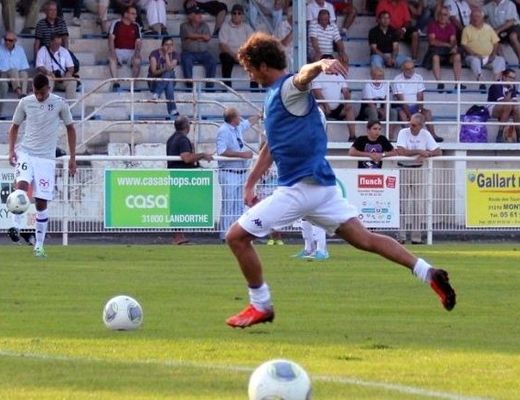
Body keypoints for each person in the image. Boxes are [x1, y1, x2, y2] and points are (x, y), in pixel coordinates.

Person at [224, 32, 456, 329]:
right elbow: (272, 145)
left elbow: (302, 78)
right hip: (322, 188)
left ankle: (261, 305)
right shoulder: (278, 99)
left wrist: (321, 64)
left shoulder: (287, 90)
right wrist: (250, 183)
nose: (250, 75)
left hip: (299, 188)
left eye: (250, 69)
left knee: (236, 237)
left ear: (263, 65)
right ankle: (428, 272)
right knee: (365, 239)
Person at [6, 73, 77, 257]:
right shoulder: (25, 102)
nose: (39, 97)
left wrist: (72, 157)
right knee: (20, 188)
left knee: (41, 202)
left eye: (42, 93)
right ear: (33, 90)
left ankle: (38, 245)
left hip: (46, 159)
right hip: (27, 153)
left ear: (49, 89)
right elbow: (14, 126)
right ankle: (15, 227)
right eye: (36, 93)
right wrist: (12, 150)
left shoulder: (60, 103)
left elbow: (71, 128)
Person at [166, 115, 213, 244]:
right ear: (187, 126)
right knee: (180, 206)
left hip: (175, 176)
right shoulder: (182, 140)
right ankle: (178, 236)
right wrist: (202, 155)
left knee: (177, 206)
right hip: (181, 177)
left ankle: (178, 235)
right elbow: (186, 158)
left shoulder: (171, 139)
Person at [395, 113, 441, 245]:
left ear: (421, 126)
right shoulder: (403, 132)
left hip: (418, 169)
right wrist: (420, 151)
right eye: (410, 123)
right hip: (403, 168)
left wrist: (428, 154)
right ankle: (401, 236)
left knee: (418, 205)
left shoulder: (425, 134)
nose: (411, 127)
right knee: (402, 204)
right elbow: (401, 151)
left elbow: (438, 151)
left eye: (414, 125)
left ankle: (416, 237)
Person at [216, 107, 260, 241]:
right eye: (238, 116)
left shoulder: (237, 128)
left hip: (239, 172)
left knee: (238, 205)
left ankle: (235, 234)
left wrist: (259, 116)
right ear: (233, 118)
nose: (240, 118)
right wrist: (242, 155)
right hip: (229, 172)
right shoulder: (223, 130)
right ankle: (224, 234)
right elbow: (221, 151)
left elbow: (247, 123)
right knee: (228, 204)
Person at [392, 59, 444, 142]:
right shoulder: (397, 79)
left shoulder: (418, 77)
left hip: (416, 106)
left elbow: (420, 96)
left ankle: (433, 136)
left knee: (427, 113)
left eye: (412, 68)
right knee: (403, 115)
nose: (411, 71)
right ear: (403, 69)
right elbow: (400, 99)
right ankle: (408, 138)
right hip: (403, 107)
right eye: (408, 69)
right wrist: (410, 114)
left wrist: (419, 110)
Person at [311, 56, 357, 141]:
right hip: (324, 107)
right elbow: (318, 94)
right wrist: (326, 106)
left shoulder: (339, 76)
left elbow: (346, 92)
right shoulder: (317, 76)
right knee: (319, 109)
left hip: (337, 108)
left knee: (349, 108)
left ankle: (352, 136)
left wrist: (347, 103)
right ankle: (319, 137)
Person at [461, 8, 506, 91]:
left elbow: (496, 43)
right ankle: (481, 82)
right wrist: (474, 54)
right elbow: (464, 44)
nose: (475, 18)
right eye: (473, 16)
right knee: (474, 61)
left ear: (482, 18)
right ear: (470, 18)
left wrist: (493, 54)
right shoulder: (467, 29)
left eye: (477, 16)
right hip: (473, 56)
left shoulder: (488, 28)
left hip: (488, 57)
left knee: (500, 60)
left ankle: (495, 83)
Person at [423, 7, 462, 92]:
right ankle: (439, 83)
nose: (442, 16)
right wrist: (447, 44)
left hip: (447, 53)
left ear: (448, 16)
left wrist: (454, 47)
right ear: (437, 15)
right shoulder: (432, 25)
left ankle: (457, 84)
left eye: (445, 15)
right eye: (440, 14)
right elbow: (432, 42)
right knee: (435, 57)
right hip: (434, 53)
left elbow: (453, 40)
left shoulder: (451, 27)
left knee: (457, 56)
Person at [180, 5, 217, 90]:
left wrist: (192, 38)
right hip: (188, 53)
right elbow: (189, 34)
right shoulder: (184, 26)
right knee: (186, 61)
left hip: (203, 53)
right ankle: (189, 88)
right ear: (191, 16)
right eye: (197, 14)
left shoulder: (204, 25)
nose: (200, 15)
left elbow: (207, 37)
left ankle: (209, 88)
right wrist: (201, 37)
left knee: (212, 61)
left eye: (200, 13)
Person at [218, 4, 256, 88]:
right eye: (234, 13)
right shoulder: (225, 26)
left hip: (243, 54)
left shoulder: (247, 27)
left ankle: (254, 89)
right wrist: (234, 55)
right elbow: (222, 45)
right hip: (230, 54)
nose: (236, 15)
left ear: (242, 16)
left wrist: (242, 54)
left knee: (255, 58)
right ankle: (227, 89)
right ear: (231, 15)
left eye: (239, 13)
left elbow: (252, 43)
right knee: (225, 58)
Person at [108, 5, 142, 92]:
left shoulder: (136, 26)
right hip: (118, 50)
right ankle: (116, 83)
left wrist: (137, 54)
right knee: (111, 58)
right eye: (133, 14)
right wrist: (113, 53)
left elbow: (138, 43)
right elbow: (111, 39)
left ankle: (133, 86)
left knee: (138, 60)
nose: (135, 16)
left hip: (131, 51)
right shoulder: (116, 23)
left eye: (136, 14)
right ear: (126, 14)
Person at [35, 33, 78, 99]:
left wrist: (69, 73)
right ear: (51, 42)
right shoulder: (43, 50)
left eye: (59, 44)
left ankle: (70, 106)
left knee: (72, 81)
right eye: (56, 44)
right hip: (48, 77)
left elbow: (71, 67)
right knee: (48, 79)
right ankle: (46, 105)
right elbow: (39, 66)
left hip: (61, 78)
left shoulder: (64, 51)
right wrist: (48, 72)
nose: (58, 46)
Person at [488, 68, 520, 142]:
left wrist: (514, 107)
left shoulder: (512, 86)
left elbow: (515, 101)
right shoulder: (497, 85)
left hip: (507, 107)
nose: (512, 80)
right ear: (504, 77)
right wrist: (510, 91)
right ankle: (499, 135)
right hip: (493, 107)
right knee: (508, 104)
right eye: (510, 77)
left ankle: (519, 135)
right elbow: (502, 102)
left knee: (516, 107)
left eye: (513, 78)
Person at [148, 36, 179, 117]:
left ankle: (156, 94)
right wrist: (165, 69)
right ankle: (172, 110)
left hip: (168, 81)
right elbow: (154, 72)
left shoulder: (175, 54)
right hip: (154, 82)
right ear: (162, 46)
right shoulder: (154, 54)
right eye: (166, 45)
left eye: (171, 45)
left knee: (169, 74)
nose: (169, 47)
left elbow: (170, 67)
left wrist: (166, 55)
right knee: (168, 80)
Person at [0, 32, 30, 116]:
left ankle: (22, 94)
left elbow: (24, 66)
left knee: (24, 73)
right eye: (6, 40)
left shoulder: (20, 49)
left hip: (16, 76)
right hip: (3, 74)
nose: (7, 42)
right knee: (12, 71)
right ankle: (20, 94)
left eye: (10, 40)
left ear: (15, 41)